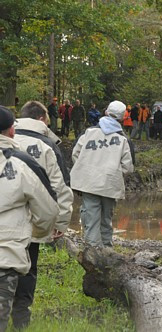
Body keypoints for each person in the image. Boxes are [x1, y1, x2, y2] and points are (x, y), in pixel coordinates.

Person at [11, 101, 74, 329]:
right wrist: (61, 222)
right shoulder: (47, 146)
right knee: (28, 268)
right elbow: (61, 186)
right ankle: (21, 319)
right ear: (41, 119)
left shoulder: (7, 139)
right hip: (33, 219)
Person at [0, 105, 59, 332]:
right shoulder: (22, 165)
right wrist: (35, 233)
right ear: (11, 131)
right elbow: (48, 210)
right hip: (6, 256)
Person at [70, 101, 134, 247]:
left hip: (89, 183)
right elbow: (128, 167)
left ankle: (93, 253)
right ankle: (107, 251)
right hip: (110, 185)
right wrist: (114, 174)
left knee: (91, 219)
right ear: (123, 118)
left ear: (106, 112)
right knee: (106, 220)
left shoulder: (89, 133)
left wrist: (85, 170)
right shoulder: (123, 140)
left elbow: (76, 154)